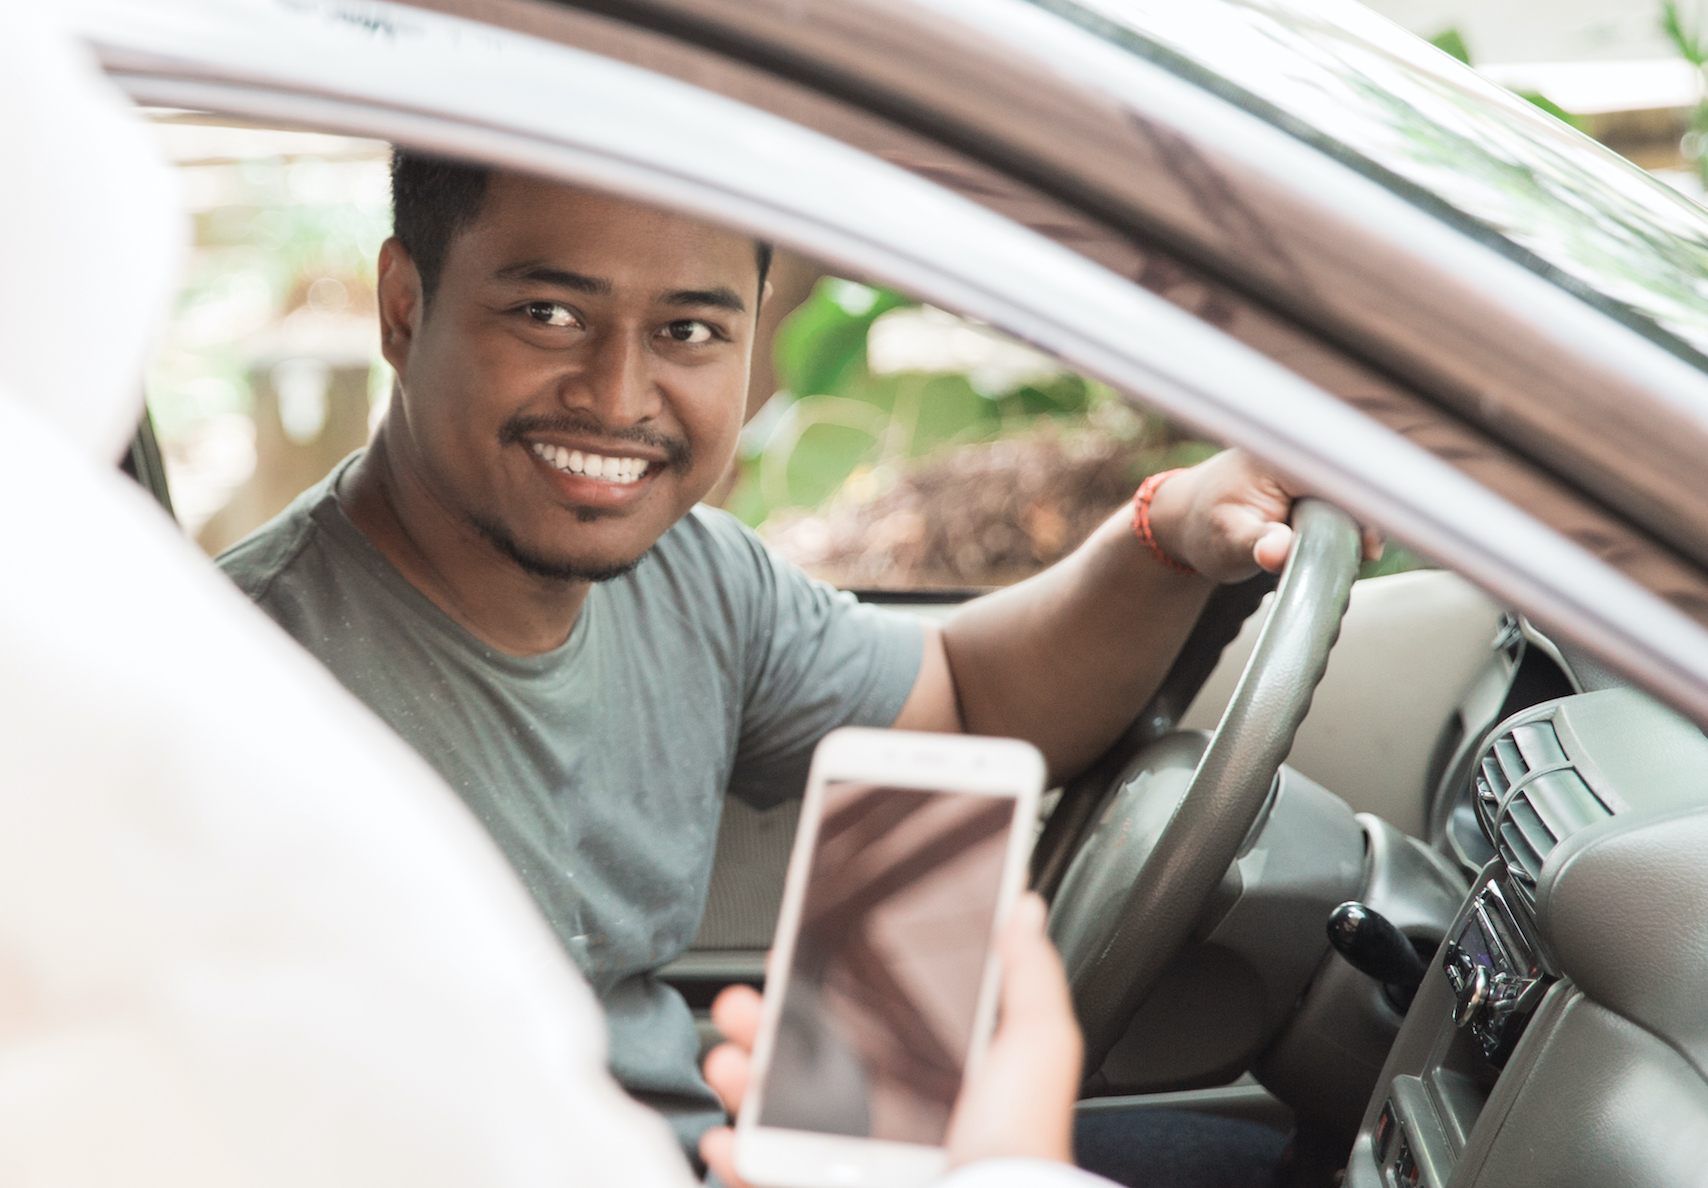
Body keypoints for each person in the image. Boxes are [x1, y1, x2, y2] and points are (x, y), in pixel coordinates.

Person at [217, 152, 1379, 1158]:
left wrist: (1163, 533)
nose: (619, 395)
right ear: (404, 309)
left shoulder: (695, 581)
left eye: (686, 331)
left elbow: (968, 703)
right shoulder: (237, 696)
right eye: (549, 316)